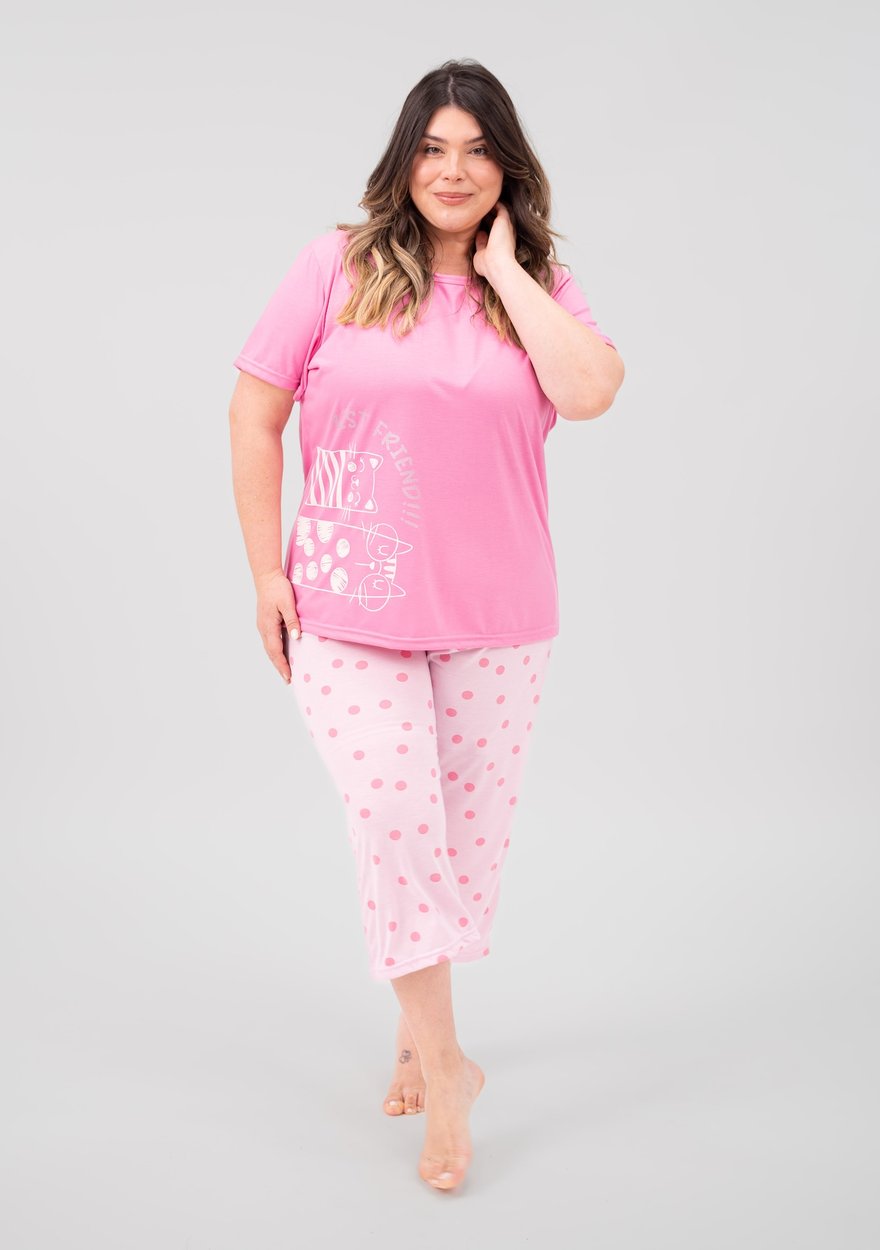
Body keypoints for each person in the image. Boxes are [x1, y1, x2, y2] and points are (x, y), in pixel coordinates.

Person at [228, 58, 624, 1192]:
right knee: (396, 813)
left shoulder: (538, 285)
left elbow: (590, 391)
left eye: (478, 150)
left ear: (507, 166)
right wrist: (266, 570)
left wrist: (504, 272)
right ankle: (451, 1069)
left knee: (464, 850)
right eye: (434, 148)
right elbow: (254, 413)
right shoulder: (335, 266)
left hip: (498, 614)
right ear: (404, 160)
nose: (454, 170)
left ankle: (413, 1032)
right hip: (347, 604)